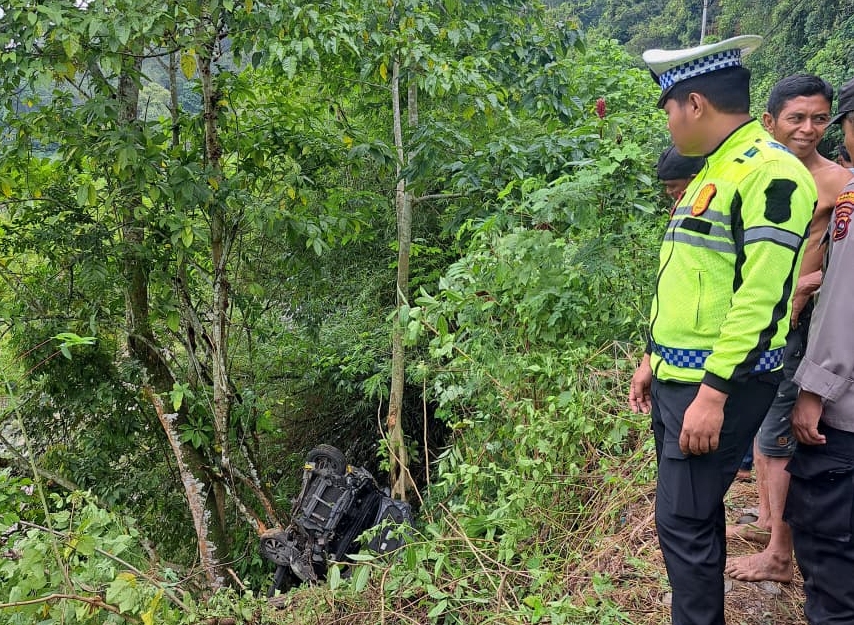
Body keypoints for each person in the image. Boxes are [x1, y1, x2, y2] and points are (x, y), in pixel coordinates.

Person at [629, 35, 817, 625]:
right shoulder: (714, 171)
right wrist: (652, 357)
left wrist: (714, 393)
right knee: (693, 514)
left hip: (714, 385)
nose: (668, 122)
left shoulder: (771, 174)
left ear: (694, 103)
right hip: (678, 375)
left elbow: (761, 299)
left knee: (682, 523)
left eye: (668, 109)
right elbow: (694, 282)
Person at [724, 74, 854, 584]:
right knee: (762, 427)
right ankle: (768, 520)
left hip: (803, 325)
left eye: (819, 118)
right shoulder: (755, 173)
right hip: (760, 318)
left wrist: (803, 287)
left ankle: (780, 551)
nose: (808, 129)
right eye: (796, 118)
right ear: (768, 121)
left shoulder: (839, 183)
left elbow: (840, 264)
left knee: (779, 433)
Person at [786, 76, 854, 625]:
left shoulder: (849, 194)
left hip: (843, 408)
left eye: (824, 119)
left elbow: (842, 302)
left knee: (832, 561)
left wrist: (816, 387)